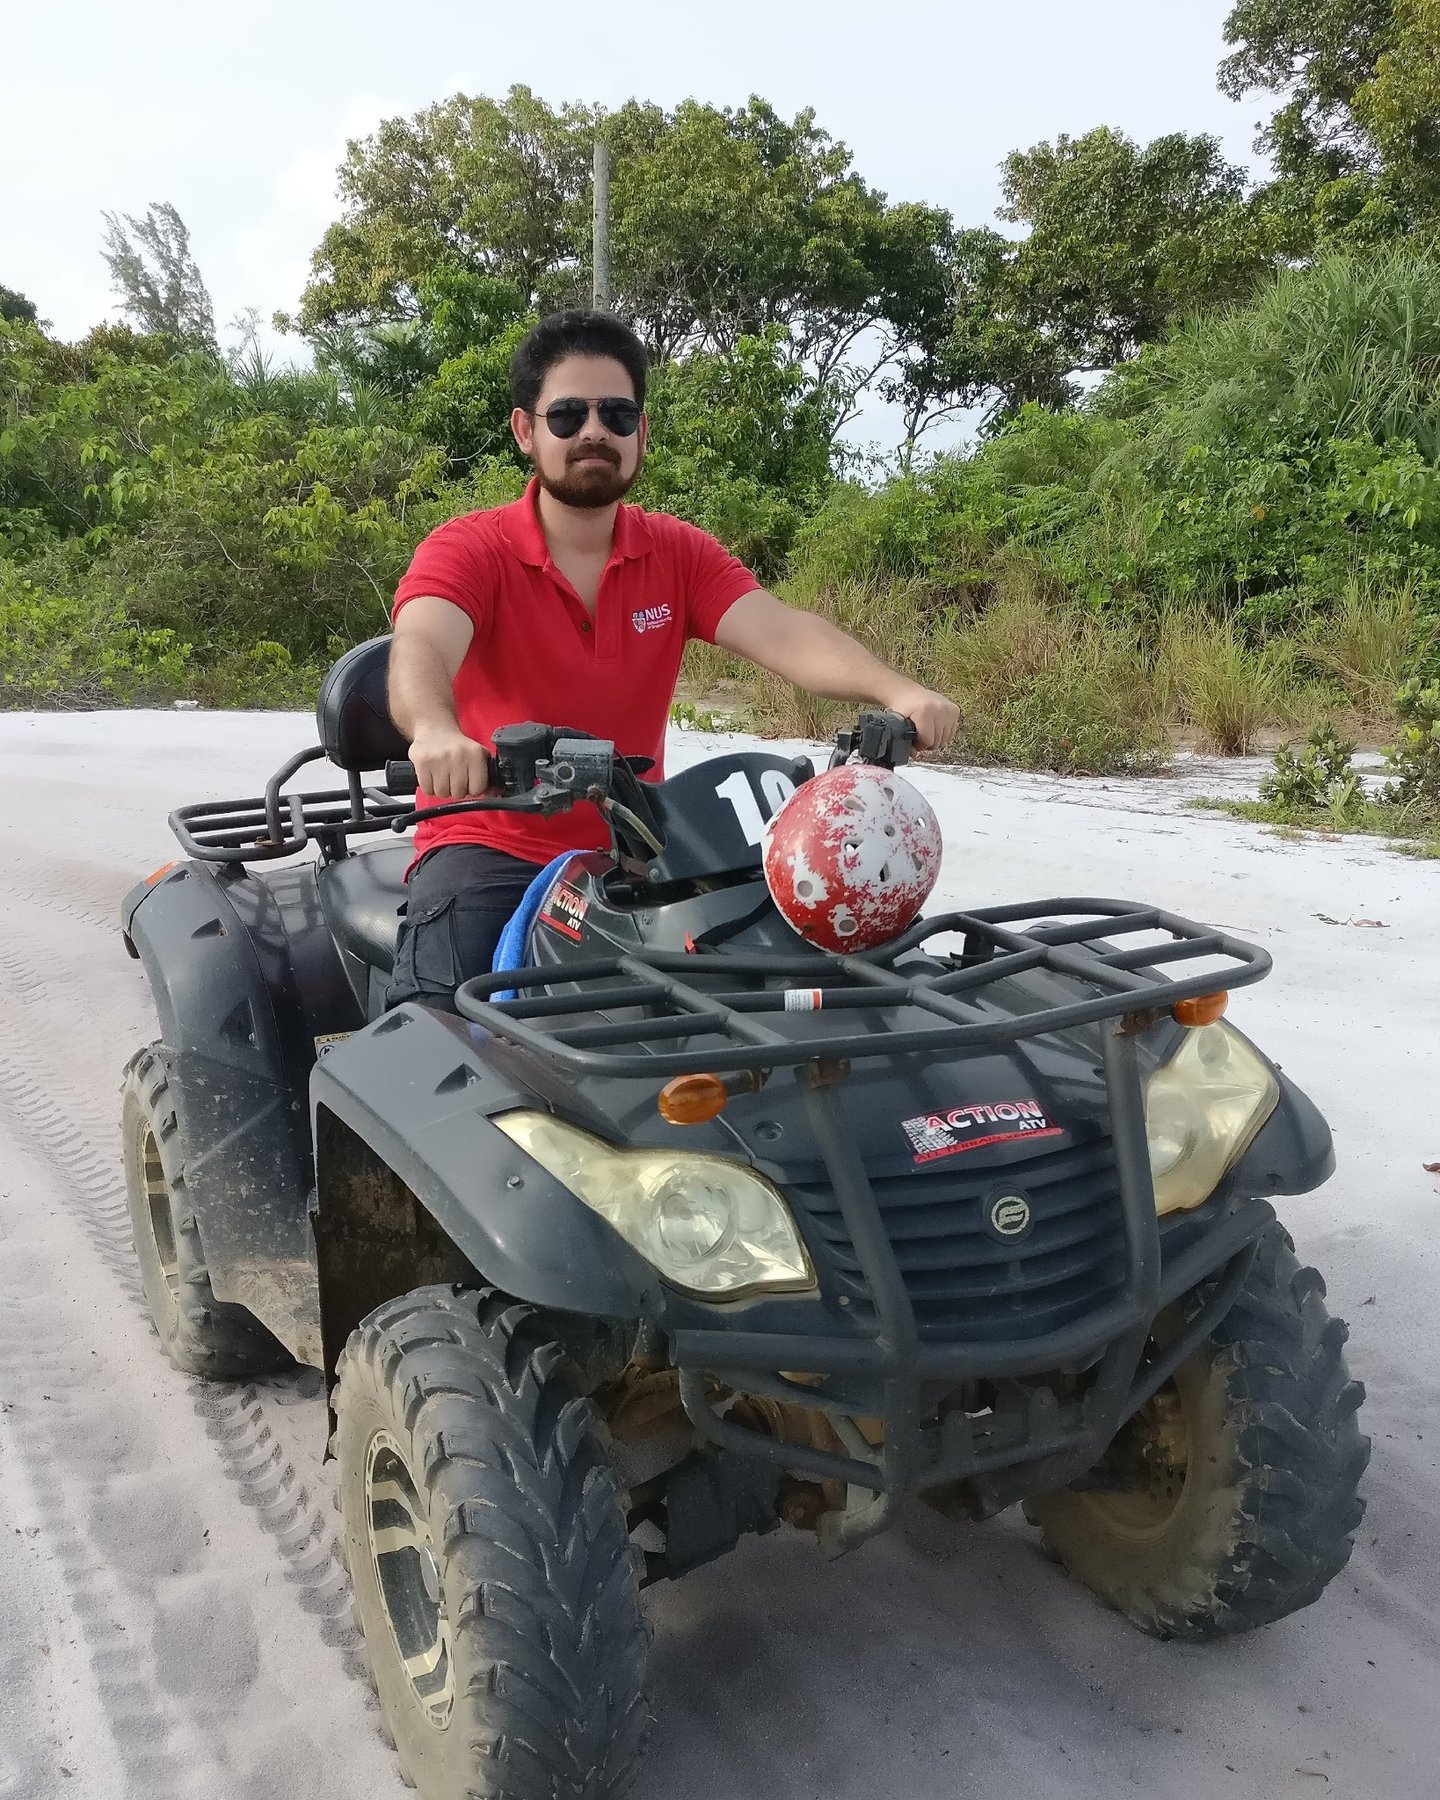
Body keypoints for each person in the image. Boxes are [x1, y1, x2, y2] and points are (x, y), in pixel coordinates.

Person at [385, 309, 960, 1012]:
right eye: (567, 415)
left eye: (616, 413)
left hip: (647, 849)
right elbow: (422, 644)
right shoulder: (470, 549)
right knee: (440, 1041)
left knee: (809, 995)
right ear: (525, 431)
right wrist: (436, 732)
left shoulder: (678, 553)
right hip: (488, 846)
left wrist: (898, 689)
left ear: (641, 433)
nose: (593, 431)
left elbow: (782, 632)